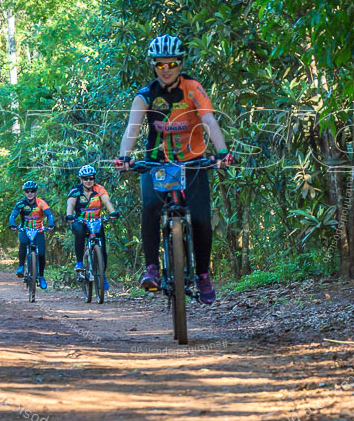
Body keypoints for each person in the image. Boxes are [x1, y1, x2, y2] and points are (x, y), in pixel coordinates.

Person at [113, 34, 233, 305]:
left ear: (180, 64)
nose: (165, 69)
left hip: (192, 162)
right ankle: (152, 269)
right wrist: (124, 157)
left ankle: (203, 274)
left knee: (202, 218)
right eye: (160, 64)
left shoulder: (193, 88)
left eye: (171, 64)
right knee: (151, 208)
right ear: (153, 66)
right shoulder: (145, 95)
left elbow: (209, 121)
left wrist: (222, 152)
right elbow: (132, 129)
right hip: (156, 163)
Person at [65, 165, 119, 291]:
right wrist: (69, 215)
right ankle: (79, 262)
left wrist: (112, 213)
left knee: (102, 248)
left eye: (91, 178)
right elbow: (70, 204)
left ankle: (102, 275)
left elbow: (106, 202)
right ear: (81, 179)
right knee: (79, 232)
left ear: (94, 178)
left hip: (96, 220)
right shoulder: (75, 191)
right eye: (85, 179)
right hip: (80, 220)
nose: (88, 181)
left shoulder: (99, 189)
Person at [8, 180, 55, 289]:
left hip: (38, 231)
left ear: (35, 192)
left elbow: (49, 215)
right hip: (24, 229)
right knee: (23, 243)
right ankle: (20, 267)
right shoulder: (20, 204)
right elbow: (13, 215)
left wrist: (51, 224)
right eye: (27, 191)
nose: (30, 193)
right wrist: (12, 224)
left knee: (42, 254)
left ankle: (42, 276)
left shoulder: (41, 203)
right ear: (24, 192)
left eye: (32, 191)